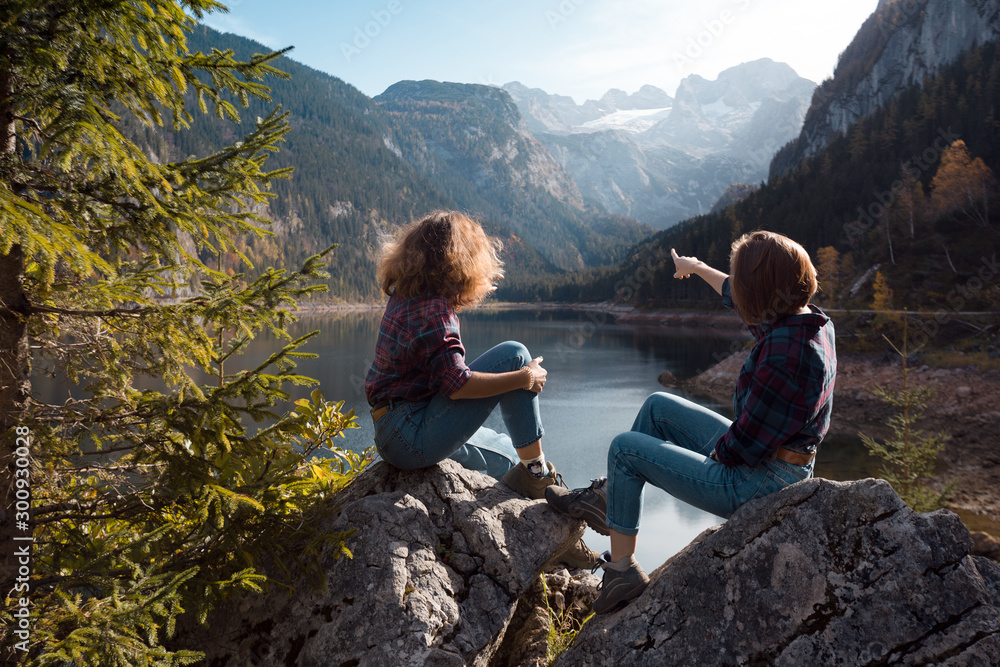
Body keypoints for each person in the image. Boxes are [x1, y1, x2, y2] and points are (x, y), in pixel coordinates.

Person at [546, 230, 837, 614]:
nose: (739, 297)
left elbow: (745, 446)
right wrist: (696, 268)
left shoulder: (788, 354)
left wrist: (713, 455)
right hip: (772, 458)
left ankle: (621, 571)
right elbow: (736, 291)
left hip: (761, 481)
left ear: (762, 294)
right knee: (658, 406)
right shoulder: (805, 319)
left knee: (624, 450)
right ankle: (608, 499)